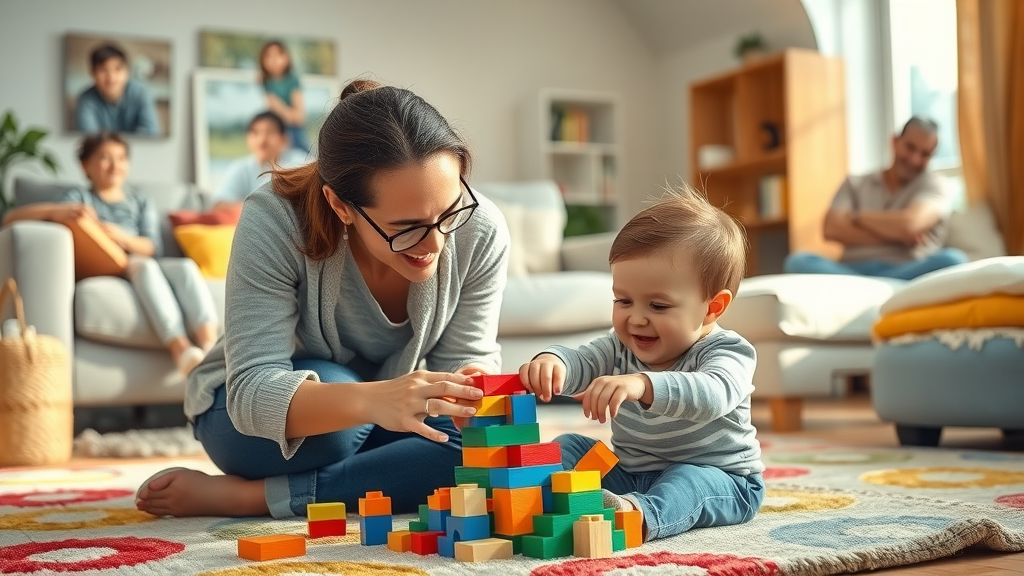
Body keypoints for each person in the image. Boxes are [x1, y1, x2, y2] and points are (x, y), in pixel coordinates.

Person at [134, 79, 511, 519]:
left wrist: (473, 393)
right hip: (244, 417)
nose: (436, 242)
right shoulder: (275, 219)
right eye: (407, 226)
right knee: (339, 405)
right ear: (341, 205)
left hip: (380, 416)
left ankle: (253, 497)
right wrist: (375, 400)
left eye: (448, 213)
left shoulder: (480, 228)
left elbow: (466, 360)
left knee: (480, 454)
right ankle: (367, 470)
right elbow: (252, 393)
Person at [519, 186, 764, 543]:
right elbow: (582, 360)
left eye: (658, 306)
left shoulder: (728, 351)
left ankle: (636, 516)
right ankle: (531, 498)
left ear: (712, 307)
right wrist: (553, 362)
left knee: (688, 482)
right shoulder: (619, 347)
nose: (635, 319)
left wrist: (643, 384)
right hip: (631, 475)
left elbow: (713, 395)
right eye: (623, 301)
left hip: (723, 478)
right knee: (570, 445)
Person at [1, 132, 218, 375]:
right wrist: (61, 211)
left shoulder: (140, 201)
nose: (115, 165)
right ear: (86, 166)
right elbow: (10, 218)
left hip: (144, 260)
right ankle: (180, 347)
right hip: (112, 265)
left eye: (121, 158)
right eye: (105, 158)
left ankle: (210, 347)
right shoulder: (78, 199)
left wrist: (121, 236)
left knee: (185, 266)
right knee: (144, 266)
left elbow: (151, 246)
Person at [783, 117, 968, 279]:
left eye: (925, 154)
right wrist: (898, 235)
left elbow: (909, 225)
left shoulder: (935, 185)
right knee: (798, 261)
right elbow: (831, 228)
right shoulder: (854, 183)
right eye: (910, 147)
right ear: (895, 142)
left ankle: (870, 294)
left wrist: (857, 217)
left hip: (907, 271)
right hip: (850, 272)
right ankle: (878, 291)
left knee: (954, 260)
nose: (914, 159)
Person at [212, 111, 308, 209]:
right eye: (255, 133)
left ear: (284, 139)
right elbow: (219, 204)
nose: (261, 140)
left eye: (269, 132)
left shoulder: (301, 164)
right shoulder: (241, 167)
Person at [75, 43, 160, 136]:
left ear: (127, 71)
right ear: (93, 74)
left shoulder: (141, 92)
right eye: (103, 70)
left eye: (117, 69)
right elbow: (89, 138)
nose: (111, 77)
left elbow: (150, 133)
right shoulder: (86, 98)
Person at [259, 40, 309, 153]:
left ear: (286, 57)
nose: (274, 60)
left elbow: (299, 118)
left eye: (278, 54)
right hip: (277, 129)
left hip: (293, 131)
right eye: (269, 56)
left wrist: (279, 107)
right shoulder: (266, 82)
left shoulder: (292, 80)